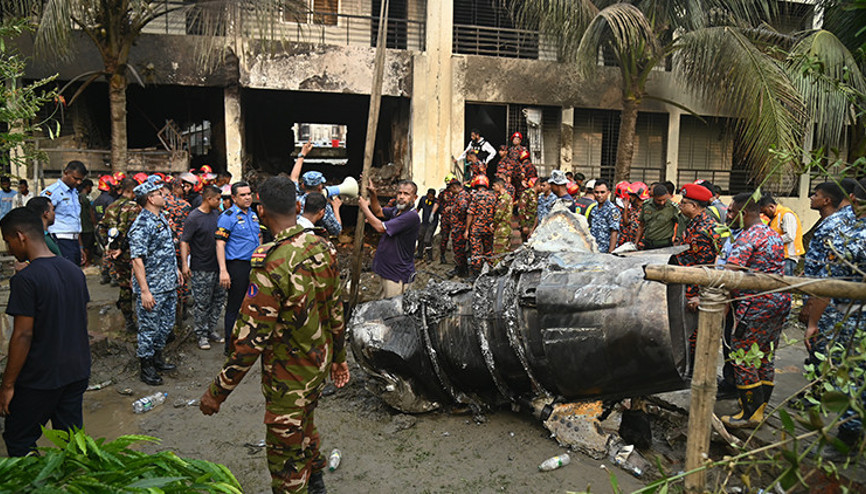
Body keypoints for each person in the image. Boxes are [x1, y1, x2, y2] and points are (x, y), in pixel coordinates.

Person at [199, 176, 349, 494]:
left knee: (286, 463)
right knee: (305, 426)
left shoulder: (271, 263)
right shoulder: (323, 247)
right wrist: (338, 359)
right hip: (316, 367)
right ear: (297, 207)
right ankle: (318, 484)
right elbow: (336, 309)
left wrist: (217, 392)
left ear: (261, 212)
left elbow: (248, 342)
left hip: (287, 379)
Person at [0, 208, 90, 457]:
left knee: (19, 438)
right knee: (72, 440)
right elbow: (79, 320)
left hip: (40, 377)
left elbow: (22, 336)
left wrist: (7, 385)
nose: (9, 249)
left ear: (21, 236)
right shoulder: (74, 272)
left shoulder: (26, 280)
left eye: (8, 241)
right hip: (76, 371)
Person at [720, 193, 791, 428]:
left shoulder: (747, 238)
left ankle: (749, 413)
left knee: (742, 355)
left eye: (732, 212)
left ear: (745, 213)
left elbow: (731, 272)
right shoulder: (773, 234)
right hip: (779, 302)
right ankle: (759, 409)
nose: (728, 216)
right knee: (765, 355)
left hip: (755, 306)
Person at [128, 176, 180, 386]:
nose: (163, 195)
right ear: (150, 198)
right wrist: (144, 291)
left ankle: (158, 358)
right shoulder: (142, 224)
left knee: (166, 324)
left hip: (168, 282)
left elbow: (166, 249)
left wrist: (175, 269)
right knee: (149, 328)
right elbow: (137, 260)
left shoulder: (161, 218)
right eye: (159, 193)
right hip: (153, 286)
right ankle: (146, 366)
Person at [804, 181, 856, 365]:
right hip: (835, 300)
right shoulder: (849, 221)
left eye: (815, 194)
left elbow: (825, 272)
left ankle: (818, 389)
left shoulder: (834, 223)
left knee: (822, 349)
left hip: (826, 299)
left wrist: (811, 303)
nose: (811, 197)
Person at [672, 183, 721, 361]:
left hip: (698, 291)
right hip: (688, 286)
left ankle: (695, 370)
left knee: (697, 333)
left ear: (693, 206)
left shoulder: (704, 229)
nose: (680, 205)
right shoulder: (694, 224)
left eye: (683, 202)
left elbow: (707, 267)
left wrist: (701, 295)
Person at [216, 181, 261, 354]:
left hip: (253, 265)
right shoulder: (227, 217)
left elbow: (258, 237)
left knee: (251, 304)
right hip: (237, 266)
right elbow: (220, 244)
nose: (248, 197)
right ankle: (230, 345)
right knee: (234, 306)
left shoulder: (253, 214)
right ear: (234, 198)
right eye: (243, 195)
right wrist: (223, 270)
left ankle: (246, 340)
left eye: (249, 193)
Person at [181, 185, 227, 351]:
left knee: (218, 300)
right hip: (201, 267)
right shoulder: (194, 217)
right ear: (209, 199)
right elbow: (184, 241)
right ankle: (201, 334)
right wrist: (185, 264)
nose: (220, 202)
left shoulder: (217, 214)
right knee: (202, 303)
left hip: (218, 266)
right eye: (218, 199)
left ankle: (211, 329)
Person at [359, 179, 420, 298]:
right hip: (387, 271)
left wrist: (364, 208)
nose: (402, 197)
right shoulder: (397, 211)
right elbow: (379, 212)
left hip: (397, 275)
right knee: (383, 306)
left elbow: (380, 227)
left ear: (415, 197)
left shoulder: (411, 216)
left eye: (406, 194)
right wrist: (373, 194)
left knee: (394, 311)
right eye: (399, 193)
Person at [98, 178, 141, 333]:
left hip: (116, 255)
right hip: (132, 255)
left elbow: (101, 228)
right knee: (139, 285)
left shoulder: (111, 206)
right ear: (131, 191)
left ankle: (128, 320)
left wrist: (107, 247)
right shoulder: (135, 208)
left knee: (124, 286)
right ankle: (140, 320)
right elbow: (134, 234)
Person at [289, 141, 343, 237]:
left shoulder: (295, 197)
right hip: (312, 242)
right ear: (320, 187)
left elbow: (294, 178)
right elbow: (337, 230)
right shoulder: (323, 207)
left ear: (303, 186)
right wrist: (336, 208)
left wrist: (302, 154)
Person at [41, 160, 87, 265]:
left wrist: (80, 246)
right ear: (66, 173)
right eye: (75, 179)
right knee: (65, 274)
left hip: (74, 240)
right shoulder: (52, 192)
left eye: (81, 180)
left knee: (75, 273)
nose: (79, 182)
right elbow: (42, 217)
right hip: (60, 240)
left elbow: (75, 221)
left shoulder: (75, 193)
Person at [758, 194, 804, 276]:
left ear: (771, 207)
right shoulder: (774, 218)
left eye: (765, 212)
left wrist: (770, 241)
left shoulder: (786, 215)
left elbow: (789, 236)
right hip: (780, 257)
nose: (765, 215)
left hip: (788, 257)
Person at [636, 183, 679, 250]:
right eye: (659, 200)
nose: (662, 203)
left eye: (664, 200)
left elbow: (681, 224)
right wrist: (636, 243)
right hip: (648, 245)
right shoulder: (646, 205)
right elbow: (641, 225)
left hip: (664, 246)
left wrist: (677, 240)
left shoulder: (672, 207)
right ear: (653, 197)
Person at [589, 179, 621, 253]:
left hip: (605, 250)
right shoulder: (594, 208)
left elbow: (614, 232)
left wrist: (610, 252)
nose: (599, 195)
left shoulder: (612, 210)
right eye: (597, 192)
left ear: (608, 193)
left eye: (602, 192)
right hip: (594, 249)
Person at [618, 182, 649, 248]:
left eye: (631, 196)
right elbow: (626, 223)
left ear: (637, 196)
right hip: (633, 244)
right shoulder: (634, 208)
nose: (629, 198)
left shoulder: (647, 209)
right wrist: (626, 208)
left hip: (643, 246)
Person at [492, 176, 515, 261]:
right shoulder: (507, 197)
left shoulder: (504, 198)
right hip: (506, 228)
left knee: (498, 254)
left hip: (501, 229)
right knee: (505, 253)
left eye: (494, 186)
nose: (493, 188)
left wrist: (493, 225)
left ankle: (497, 272)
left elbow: (499, 214)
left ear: (499, 185)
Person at [78, 179, 98, 267]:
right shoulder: (87, 198)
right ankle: (87, 262)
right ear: (87, 187)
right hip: (87, 226)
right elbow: (91, 211)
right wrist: (94, 223)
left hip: (79, 226)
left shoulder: (77, 196)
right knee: (88, 246)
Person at [415, 188, 438, 262]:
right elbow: (418, 208)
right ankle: (419, 253)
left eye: (432, 197)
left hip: (432, 223)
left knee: (427, 240)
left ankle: (429, 256)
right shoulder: (423, 199)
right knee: (420, 236)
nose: (430, 198)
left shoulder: (437, 202)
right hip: (424, 222)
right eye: (429, 197)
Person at [518, 177, 538, 242]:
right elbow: (521, 210)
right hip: (527, 223)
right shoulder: (527, 193)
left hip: (535, 225)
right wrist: (524, 225)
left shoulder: (540, 195)